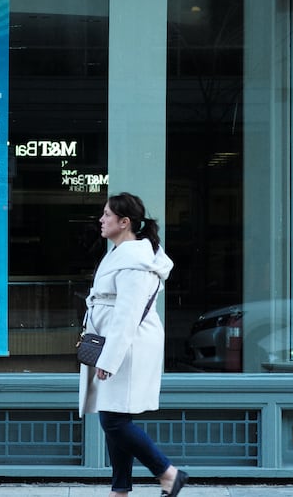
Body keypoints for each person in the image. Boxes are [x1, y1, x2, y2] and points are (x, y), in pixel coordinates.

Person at [79, 192, 189, 497]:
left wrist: (108, 359)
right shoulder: (121, 254)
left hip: (128, 346)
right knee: (115, 414)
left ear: (124, 222)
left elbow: (127, 316)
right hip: (118, 343)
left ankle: (168, 472)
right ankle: (120, 490)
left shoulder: (133, 261)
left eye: (107, 215)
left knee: (113, 421)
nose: (101, 220)